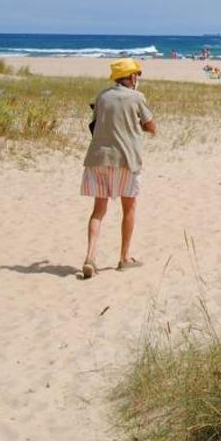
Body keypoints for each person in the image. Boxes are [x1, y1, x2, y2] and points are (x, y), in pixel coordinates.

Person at [79, 58, 157, 279]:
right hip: (126, 160)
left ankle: (90, 257)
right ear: (132, 77)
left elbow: (95, 124)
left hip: (99, 159)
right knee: (129, 208)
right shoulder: (137, 97)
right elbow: (152, 127)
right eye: (137, 75)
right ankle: (124, 257)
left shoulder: (102, 96)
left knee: (98, 211)